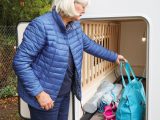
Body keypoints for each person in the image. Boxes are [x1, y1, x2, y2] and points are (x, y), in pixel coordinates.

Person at [13, 0, 126, 120]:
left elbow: (88, 45)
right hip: (45, 95)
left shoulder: (74, 25)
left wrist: (113, 57)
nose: (84, 10)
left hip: (64, 93)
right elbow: (20, 62)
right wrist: (39, 94)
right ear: (68, 3)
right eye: (82, 5)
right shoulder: (41, 25)